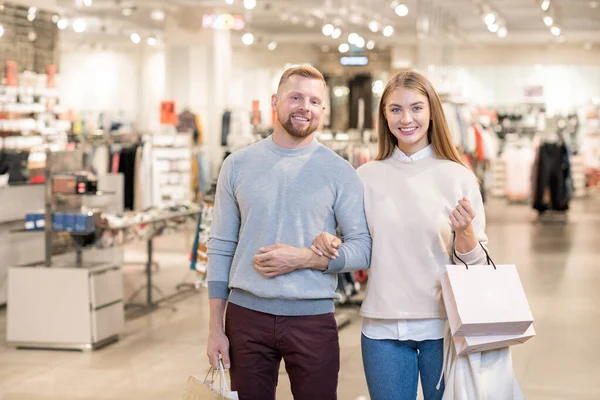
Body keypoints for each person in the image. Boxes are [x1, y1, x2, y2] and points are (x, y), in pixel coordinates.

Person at [310, 71, 490, 400]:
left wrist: (465, 232)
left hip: (443, 325)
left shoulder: (457, 176)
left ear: (432, 112)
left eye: (416, 108)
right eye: (395, 109)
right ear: (384, 116)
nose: (406, 118)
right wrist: (328, 241)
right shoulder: (364, 176)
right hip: (381, 326)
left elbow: (478, 265)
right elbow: (351, 244)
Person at [206, 65, 371, 400]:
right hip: (246, 318)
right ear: (275, 101)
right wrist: (214, 328)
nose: (304, 107)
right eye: (295, 97)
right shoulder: (237, 165)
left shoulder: (340, 172)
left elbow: (363, 249)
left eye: (313, 101)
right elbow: (221, 247)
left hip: (313, 319)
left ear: (323, 110)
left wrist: (305, 258)